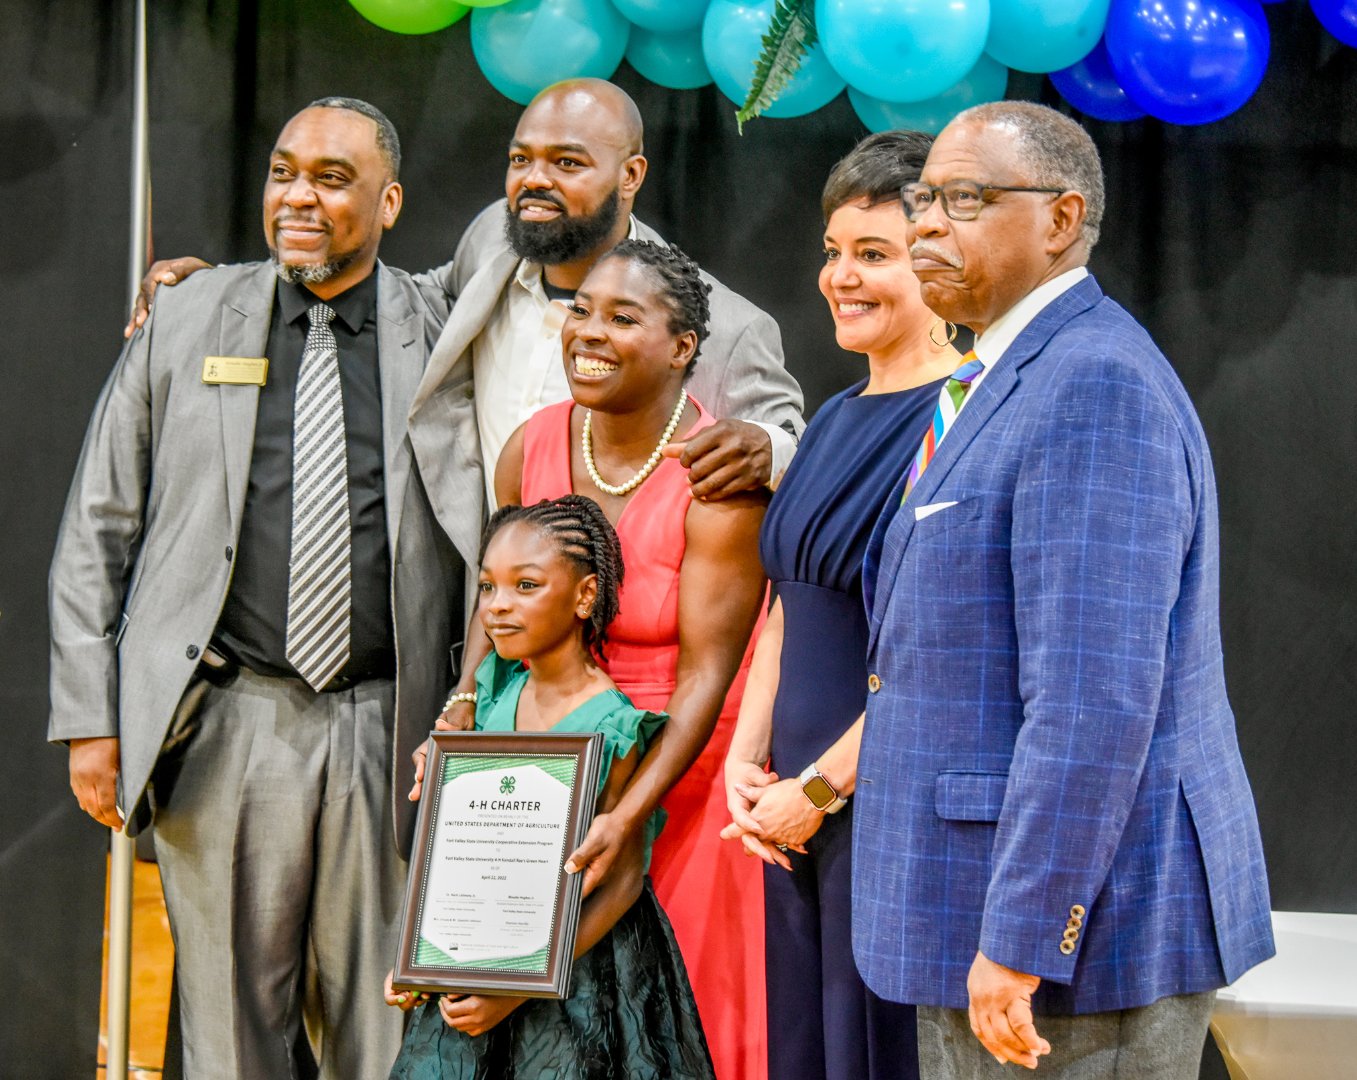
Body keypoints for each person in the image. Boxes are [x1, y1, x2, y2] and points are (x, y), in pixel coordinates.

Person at [48, 98, 477, 1079]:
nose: (299, 195)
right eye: (285, 171)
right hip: (230, 724)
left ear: (390, 200)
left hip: (392, 727)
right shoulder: (186, 316)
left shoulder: (445, 330)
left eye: (333, 179)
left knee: (386, 1034)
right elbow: (97, 526)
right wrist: (91, 717)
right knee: (229, 1040)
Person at [854, 101, 1275, 1077]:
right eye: (924, 200)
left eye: (964, 199)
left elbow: (1093, 702)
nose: (923, 225)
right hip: (978, 907)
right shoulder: (1004, 374)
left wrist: (1023, 935)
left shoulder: (1092, 385)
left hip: (1075, 947)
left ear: (1057, 219)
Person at [129, 78, 805, 508]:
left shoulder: (723, 325)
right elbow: (400, 298)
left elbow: (793, 448)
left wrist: (770, 451)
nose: (533, 180)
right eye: (520, 159)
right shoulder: (493, 242)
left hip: (632, 634)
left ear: (629, 175)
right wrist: (223, 286)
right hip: (482, 615)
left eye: (567, 162)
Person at [483, 240, 769, 1080]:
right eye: (581, 310)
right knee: (545, 1019)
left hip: (681, 771)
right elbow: (494, 609)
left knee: (666, 1021)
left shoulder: (718, 480)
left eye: (622, 316)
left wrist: (625, 815)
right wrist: (461, 721)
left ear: (683, 347)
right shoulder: (529, 445)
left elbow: (707, 676)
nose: (590, 332)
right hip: (550, 763)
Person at [719, 131, 955, 1080]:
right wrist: (746, 757)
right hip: (788, 812)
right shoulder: (829, 415)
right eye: (832, 251)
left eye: (873, 255)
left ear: (935, 260)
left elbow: (936, 653)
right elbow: (789, 604)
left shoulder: (963, 416)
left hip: (878, 802)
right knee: (809, 1048)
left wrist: (817, 791)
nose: (840, 277)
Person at [387, 495, 715, 1080]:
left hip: (579, 979)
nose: (498, 607)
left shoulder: (612, 726)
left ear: (585, 596)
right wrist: (421, 966)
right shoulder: (490, 690)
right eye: (487, 587)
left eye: (526, 586)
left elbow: (621, 886)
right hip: (479, 960)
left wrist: (520, 990)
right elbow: (459, 862)